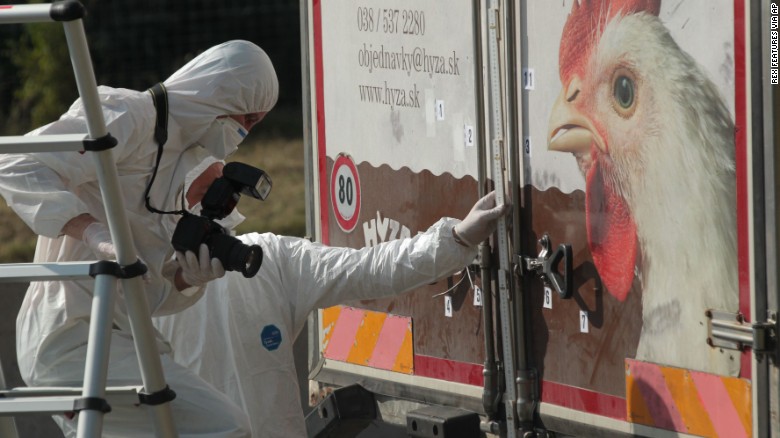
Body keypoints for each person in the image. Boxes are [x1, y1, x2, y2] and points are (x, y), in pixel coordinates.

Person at [0, 40, 278, 437]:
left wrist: (186, 278)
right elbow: (16, 164)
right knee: (225, 427)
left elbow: (144, 294)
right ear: (221, 92)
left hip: (122, 341)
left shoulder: (179, 164)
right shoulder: (129, 114)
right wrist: (91, 231)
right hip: (68, 338)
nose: (245, 133)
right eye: (247, 118)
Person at [153, 160, 509, 438]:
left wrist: (455, 239)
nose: (220, 202)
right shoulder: (139, 292)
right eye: (205, 192)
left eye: (224, 188)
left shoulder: (269, 259)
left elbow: (364, 269)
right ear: (169, 205)